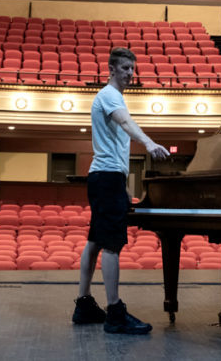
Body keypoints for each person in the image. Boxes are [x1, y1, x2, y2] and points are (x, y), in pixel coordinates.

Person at [72, 47, 170, 334]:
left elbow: (116, 150)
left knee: (95, 240)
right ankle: (115, 312)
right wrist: (149, 143)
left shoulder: (114, 97)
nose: (130, 73)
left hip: (106, 178)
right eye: (125, 68)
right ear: (111, 69)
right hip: (105, 178)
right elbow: (126, 124)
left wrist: (124, 185)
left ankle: (84, 304)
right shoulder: (109, 96)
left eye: (132, 68)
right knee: (112, 244)